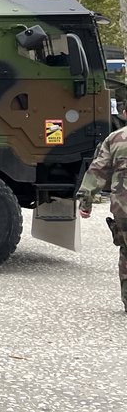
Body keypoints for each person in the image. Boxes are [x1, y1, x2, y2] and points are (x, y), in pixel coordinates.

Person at [78, 126, 127, 313]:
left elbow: (97, 170)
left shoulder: (115, 138)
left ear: (124, 113)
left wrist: (85, 203)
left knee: (126, 252)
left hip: (123, 207)